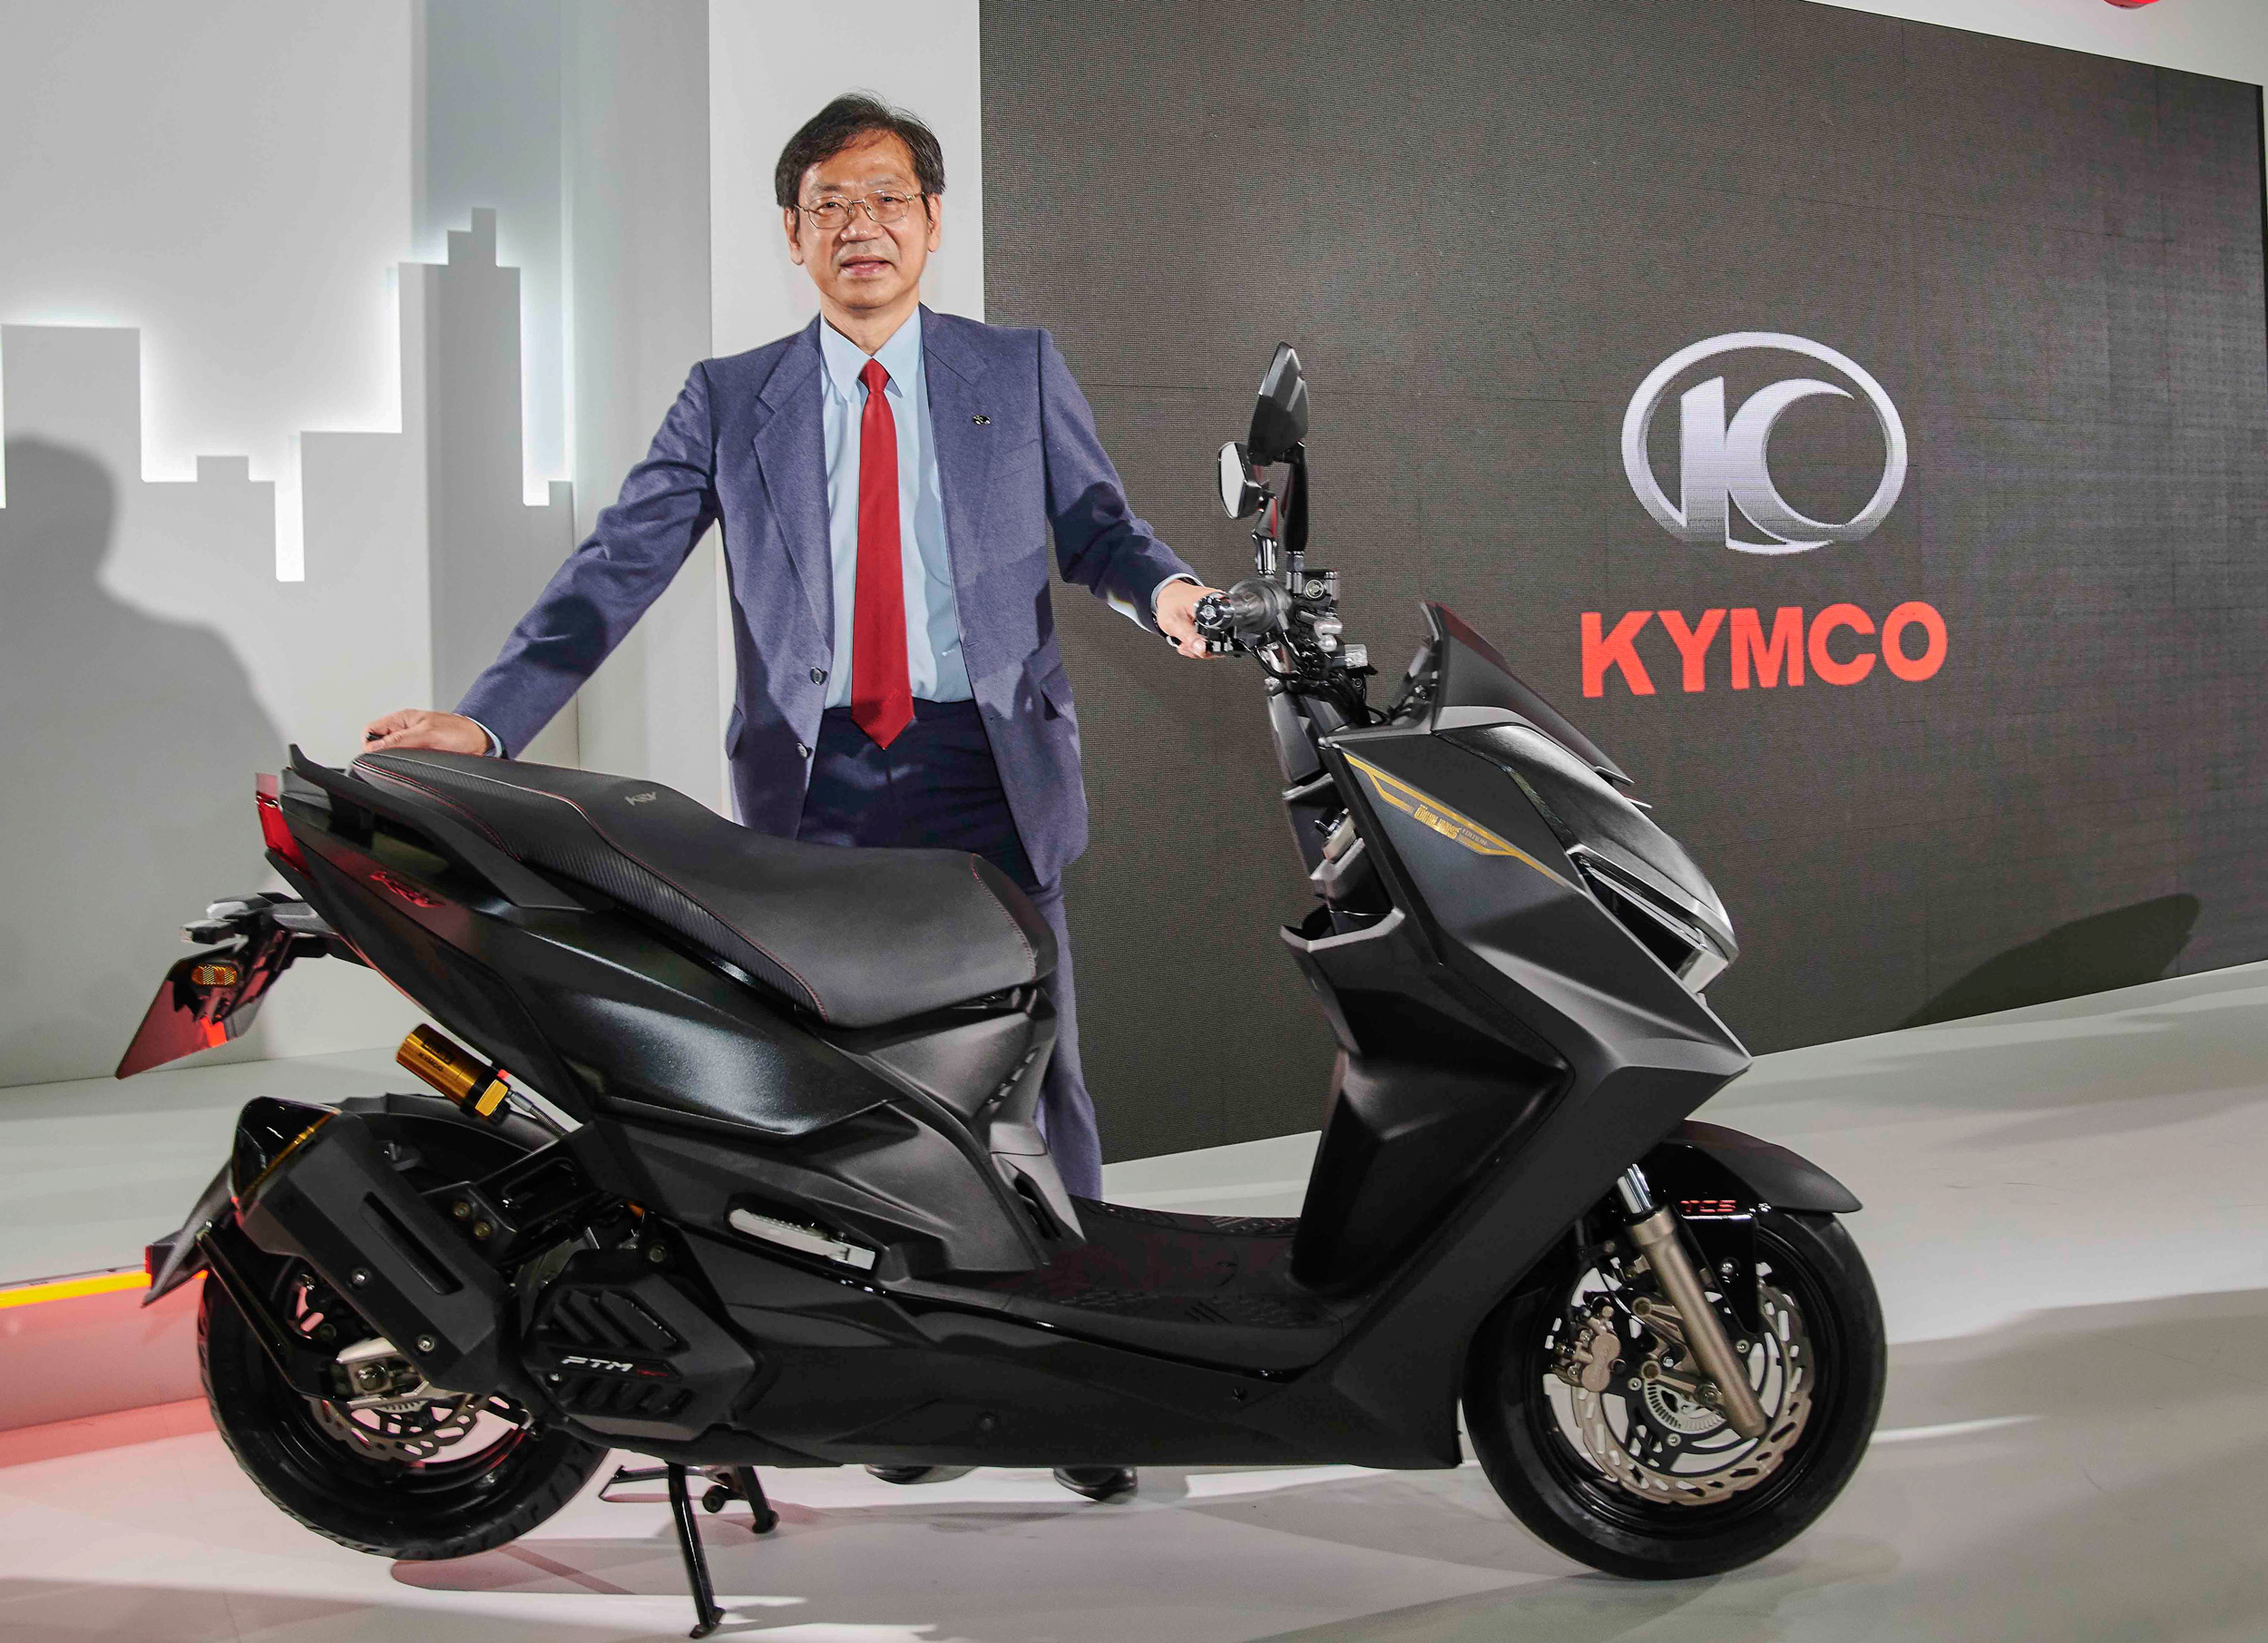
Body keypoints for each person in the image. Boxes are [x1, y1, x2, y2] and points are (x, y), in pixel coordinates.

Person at [362, 93, 1217, 1502]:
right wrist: (488, 717)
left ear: (931, 221)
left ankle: (1079, 1377)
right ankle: (904, 1385)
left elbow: (1099, 529)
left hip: (987, 773)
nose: (860, 227)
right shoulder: (731, 397)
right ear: (792, 233)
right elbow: (614, 569)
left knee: (1036, 1078)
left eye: (886, 200)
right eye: (831, 205)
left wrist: (1170, 594)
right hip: (818, 796)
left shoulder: (1015, 368)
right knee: (853, 1101)